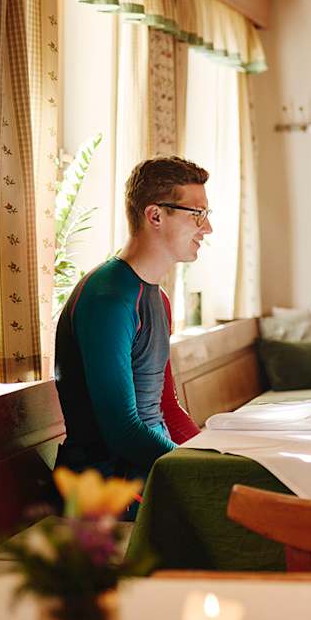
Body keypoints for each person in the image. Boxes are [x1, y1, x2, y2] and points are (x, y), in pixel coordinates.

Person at [54, 156, 211, 496]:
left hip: (151, 473)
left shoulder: (160, 299)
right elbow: (122, 430)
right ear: (155, 215)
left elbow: (166, 406)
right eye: (197, 214)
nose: (207, 229)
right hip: (106, 495)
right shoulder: (109, 298)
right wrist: (199, 471)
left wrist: (212, 458)